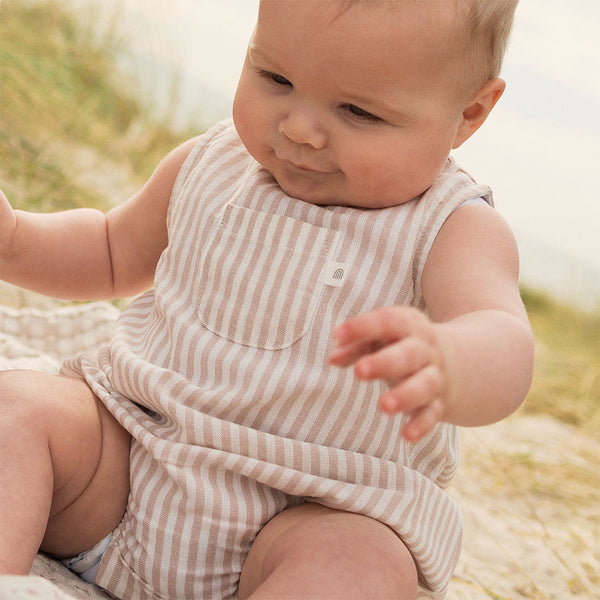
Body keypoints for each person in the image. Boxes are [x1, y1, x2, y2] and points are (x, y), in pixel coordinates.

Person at [0, 0, 534, 598]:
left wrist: (454, 358)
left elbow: (503, 333)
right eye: (275, 78)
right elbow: (107, 250)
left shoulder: (450, 226)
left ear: (469, 113)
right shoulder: (211, 164)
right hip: (129, 469)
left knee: (360, 564)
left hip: (303, 515)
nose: (299, 127)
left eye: (359, 111)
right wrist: (16, 240)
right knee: (19, 409)